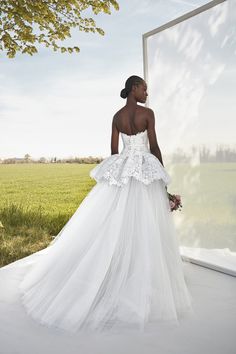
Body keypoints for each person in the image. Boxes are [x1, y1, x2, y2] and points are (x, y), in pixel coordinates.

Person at [5, 75, 194, 335]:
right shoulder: (147, 113)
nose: (147, 93)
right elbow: (154, 146)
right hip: (144, 168)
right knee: (145, 221)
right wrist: (160, 174)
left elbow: (114, 151)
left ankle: (116, 269)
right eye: (144, 88)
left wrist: (121, 171)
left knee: (117, 220)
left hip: (123, 167)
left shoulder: (116, 117)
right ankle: (140, 273)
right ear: (134, 88)